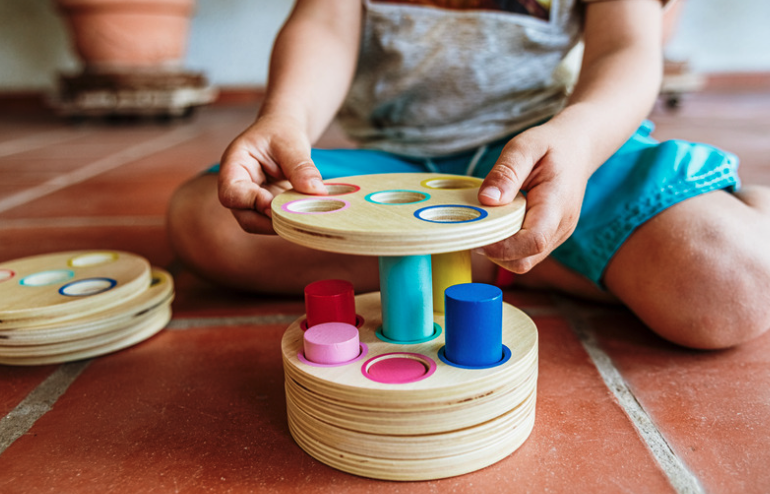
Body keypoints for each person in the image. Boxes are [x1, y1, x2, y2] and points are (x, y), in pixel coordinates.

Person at [167, 0, 770, 350]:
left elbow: (626, 48)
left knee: (733, 285)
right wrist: (285, 117)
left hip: (553, 156)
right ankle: (509, 253)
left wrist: (580, 140)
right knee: (207, 221)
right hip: (395, 169)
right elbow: (324, 23)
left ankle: (491, 246)